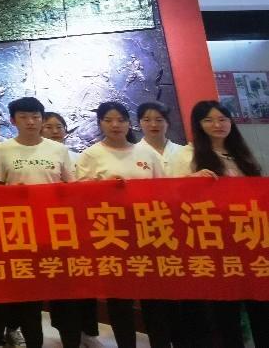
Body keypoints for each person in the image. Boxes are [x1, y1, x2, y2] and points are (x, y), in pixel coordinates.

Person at [170, 101, 267, 348]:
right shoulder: (188, 155)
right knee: (226, 307)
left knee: (260, 302)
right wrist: (191, 181)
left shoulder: (241, 153)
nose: (217, 125)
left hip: (250, 239)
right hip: (217, 242)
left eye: (223, 119)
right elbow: (172, 195)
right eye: (209, 120)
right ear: (198, 125)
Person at [72, 102, 166, 348]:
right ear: (100, 123)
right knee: (119, 297)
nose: (115, 125)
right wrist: (102, 187)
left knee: (153, 296)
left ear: (129, 123)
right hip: (111, 235)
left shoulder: (147, 154)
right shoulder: (91, 155)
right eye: (108, 120)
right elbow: (79, 195)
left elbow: (164, 190)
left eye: (121, 120)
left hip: (147, 233)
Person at [0, 97, 73, 348]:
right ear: (13, 120)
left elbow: (71, 189)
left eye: (36, 116)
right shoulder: (1, 150)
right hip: (18, 232)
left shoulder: (58, 150)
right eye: (24, 117)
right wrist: (11, 195)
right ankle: (24, 335)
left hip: (53, 230)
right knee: (25, 291)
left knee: (58, 288)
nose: (30, 122)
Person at [40, 112, 100, 348]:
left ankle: (88, 331)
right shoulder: (37, 158)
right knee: (61, 284)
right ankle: (68, 333)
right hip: (51, 229)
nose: (55, 131)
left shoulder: (79, 157)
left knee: (86, 282)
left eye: (59, 126)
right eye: (49, 127)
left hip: (81, 228)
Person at [136, 101, 184, 175]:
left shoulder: (184, 152)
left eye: (159, 120)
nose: (154, 125)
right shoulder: (132, 153)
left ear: (167, 123)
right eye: (147, 120)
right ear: (139, 123)